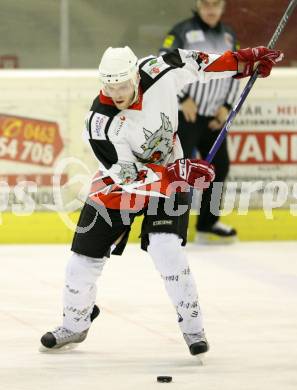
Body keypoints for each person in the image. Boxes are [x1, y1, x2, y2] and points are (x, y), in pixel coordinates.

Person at [40, 45, 283, 355]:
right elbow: (129, 178)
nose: (116, 93)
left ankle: (193, 329)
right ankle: (75, 324)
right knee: (82, 259)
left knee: (166, 248)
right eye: (109, 85)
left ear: (135, 76)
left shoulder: (160, 68)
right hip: (121, 181)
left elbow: (203, 64)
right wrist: (178, 174)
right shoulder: (99, 124)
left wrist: (244, 63)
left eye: (122, 85)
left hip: (169, 169)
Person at [160, 0, 241, 244]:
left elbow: (236, 72)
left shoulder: (229, 36)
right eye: (206, 4)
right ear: (198, 4)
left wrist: (226, 106)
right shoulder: (181, 31)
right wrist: (183, 98)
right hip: (187, 116)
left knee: (220, 168)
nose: (211, 9)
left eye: (215, 4)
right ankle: (171, 224)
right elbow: (163, 63)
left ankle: (207, 224)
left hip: (215, 117)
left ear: (222, 6)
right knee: (179, 170)